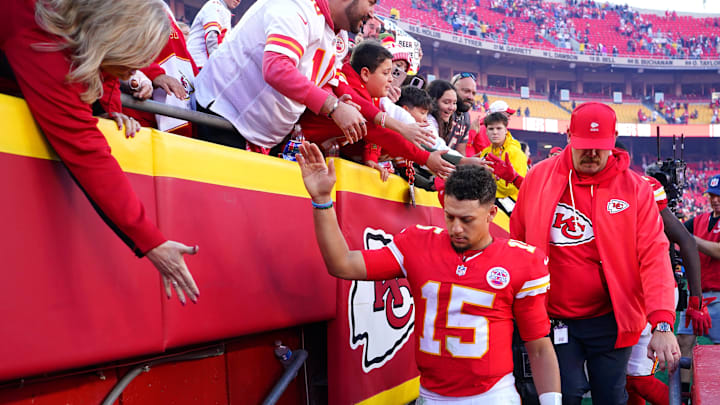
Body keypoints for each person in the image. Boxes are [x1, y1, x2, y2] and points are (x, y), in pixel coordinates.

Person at [297, 142, 562, 404]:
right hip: (431, 396)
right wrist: (322, 201)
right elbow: (343, 263)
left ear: (492, 213)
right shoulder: (417, 244)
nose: (456, 228)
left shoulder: (522, 261)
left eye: (467, 219)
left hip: (492, 395)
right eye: (450, 217)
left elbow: (538, 347)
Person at [1, 0, 199, 304]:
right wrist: (152, 242)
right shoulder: (43, 39)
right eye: (132, 60)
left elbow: (100, 64)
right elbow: (87, 152)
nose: (133, 70)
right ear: (112, 35)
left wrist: (110, 109)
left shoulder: (83, 22)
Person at [510, 102, 680, 405]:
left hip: (612, 318)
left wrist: (663, 323)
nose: (591, 154)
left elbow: (654, 256)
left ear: (613, 140)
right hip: (555, 317)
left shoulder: (635, 189)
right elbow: (518, 242)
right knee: (565, 394)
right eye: (584, 147)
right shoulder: (538, 178)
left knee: (612, 395)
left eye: (599, 147)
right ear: (568, 137)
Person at [194, 0, 373, 153]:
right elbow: (277, 68)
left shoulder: (337, 33)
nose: (373, 14)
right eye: (371, 2)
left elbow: (321, 81)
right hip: (225, 118)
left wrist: (337, 104)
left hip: (262, 135)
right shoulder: (296, 6)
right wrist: (333, 106)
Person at [299, 41, 453, 178]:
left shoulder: (371, 94)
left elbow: (373, 133)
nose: (392, 79)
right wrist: (425, 157)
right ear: (365, 74)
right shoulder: (343, 81)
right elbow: (378, 131)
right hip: (295, 145)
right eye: (386, 73)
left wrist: (371, 158)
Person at [677, 174, 720, 388]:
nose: (715, 200)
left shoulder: (697, 226)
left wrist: (689, 239)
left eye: (718, 196)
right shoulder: (700, 219)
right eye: (712, 195)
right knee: (683, 342)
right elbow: (675, 231)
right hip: (697, 294)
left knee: (719, 348)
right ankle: (685, 394)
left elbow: (719, 251)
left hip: (719, 295)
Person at [480, 112, 528, 215]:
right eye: (491, 129)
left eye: (499, 128)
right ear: (486, 132)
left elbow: (511, 188)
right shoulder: (485, 152)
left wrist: (488, 187)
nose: (495, 132)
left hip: (512, 202)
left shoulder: (515, 152)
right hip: (489, 199)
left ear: (506, 130)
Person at [187, 0, 241, 69]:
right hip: (199, 63)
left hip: (204, 63)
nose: (239, 1)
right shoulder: (214, 5)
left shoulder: (223, 9)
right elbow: (211, 38)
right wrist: (218, 65)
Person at [449, 72, 478, 156]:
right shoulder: (442, 111)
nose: (470, 97)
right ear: (452, 90)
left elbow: (460, 152)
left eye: (473, 93)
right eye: (466, 91)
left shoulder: (466, 116)